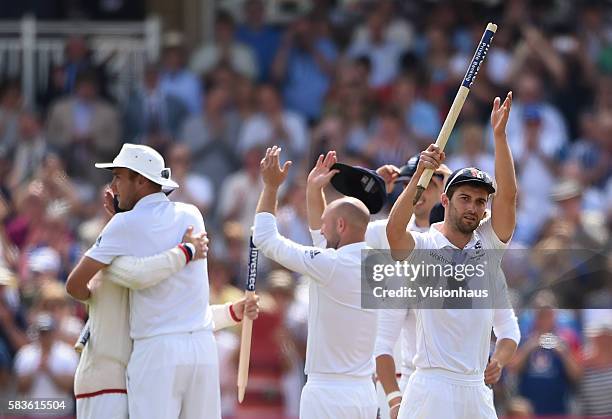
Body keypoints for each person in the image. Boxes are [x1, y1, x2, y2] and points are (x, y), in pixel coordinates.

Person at [65, 143, 257, 419]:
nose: (114, 186)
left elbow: (74, 285)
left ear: (141, 180)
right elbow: (150, 245)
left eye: (118, 177)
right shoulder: (192, 215)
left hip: (156, 352)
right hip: (203, 348)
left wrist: (94, 296)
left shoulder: (123, 225)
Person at [385, 92, 520, 419]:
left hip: (475, 388)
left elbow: (509, 197)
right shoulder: (425, 245)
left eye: (479, 201)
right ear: (444, 201)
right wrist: (420, 174)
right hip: (432, 386)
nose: (473, 207)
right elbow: (393, 231)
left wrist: (499, 138)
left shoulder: (487, 244)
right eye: (465, 198)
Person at [253, 146, 378, 418]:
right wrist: (313, 190)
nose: (319, 229)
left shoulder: (330, 265)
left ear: (342, 226)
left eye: (325, 224)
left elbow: (264, 238)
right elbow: (324, 242)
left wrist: (271, 187)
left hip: (327, 394)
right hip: (365, 394)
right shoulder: (377, 265)